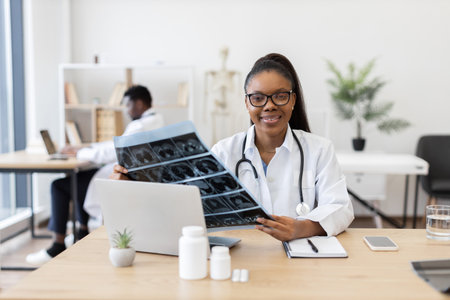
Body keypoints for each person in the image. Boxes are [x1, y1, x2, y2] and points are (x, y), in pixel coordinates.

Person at [111, 54, 354, 242]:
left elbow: (341, 208)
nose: (269, 106)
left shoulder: (319, 150)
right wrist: (135, 184)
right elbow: (188, 204)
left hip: (302, 262)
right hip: (241, 260)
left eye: (280, 96)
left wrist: (303, 227)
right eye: (258, 98)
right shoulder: (225, 152)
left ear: (292, 99)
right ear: (247, 103)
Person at [26, 85, 164, 265]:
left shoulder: (139, 126)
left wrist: (78, 153)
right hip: (132, 178)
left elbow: (111, 151)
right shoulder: (156, 120)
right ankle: (81, 233)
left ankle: (57, 245)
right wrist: (84, 148)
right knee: (79, 177)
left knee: (59, 186)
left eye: (128, 105)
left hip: (122, 180)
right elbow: (115, 144)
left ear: (139, 104)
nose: (126, 110)